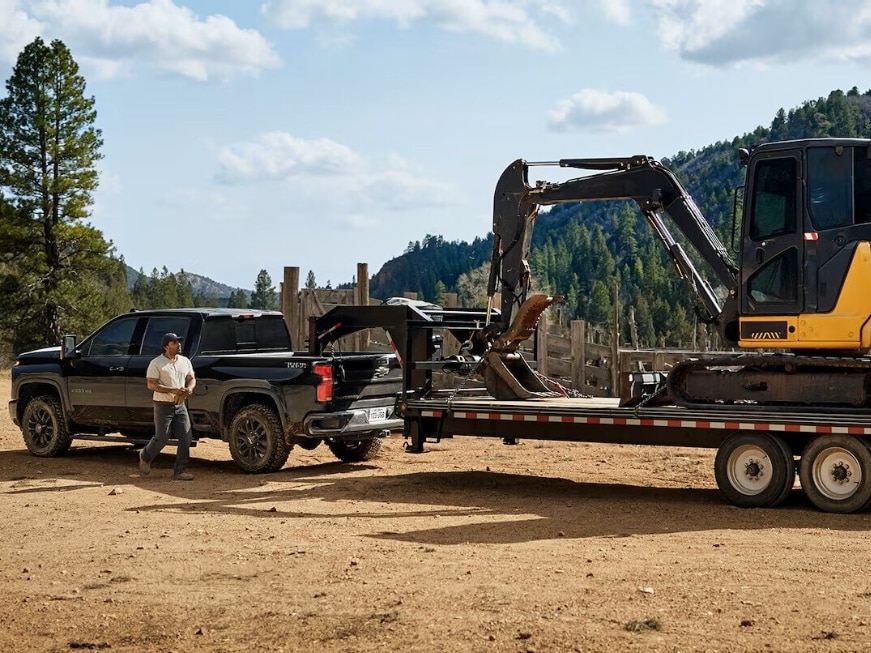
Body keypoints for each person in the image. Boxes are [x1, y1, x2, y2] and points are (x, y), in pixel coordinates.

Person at [139, 332, 197, 480]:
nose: (178, 345)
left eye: (178, 342)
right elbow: (151, 384)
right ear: (166, 346)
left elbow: (191, 378)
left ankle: (180, 470)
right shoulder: (156, 363)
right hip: (162, 405)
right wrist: (172, 390)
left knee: (186, 437)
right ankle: (145, 456)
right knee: (162, 437)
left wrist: (189, 388)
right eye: (174, 343)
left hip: (180, 405)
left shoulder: (185, 361)